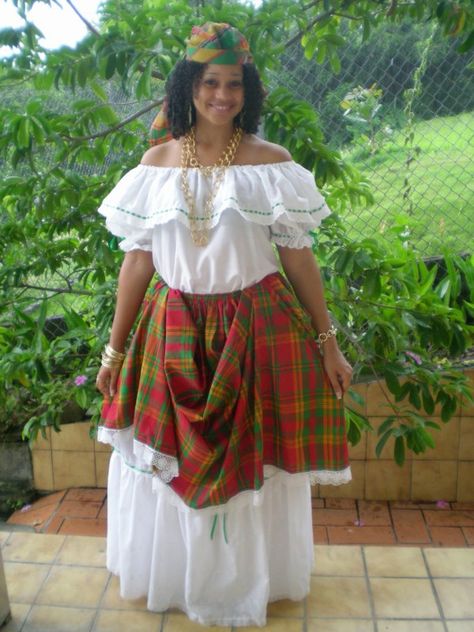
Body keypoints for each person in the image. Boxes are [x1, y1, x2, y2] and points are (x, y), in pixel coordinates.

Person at [95, 22, 352, 628]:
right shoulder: (155, 165)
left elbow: (297, 256)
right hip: (172, 332)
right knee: (175, 465)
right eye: (210, 81)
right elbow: (138, 262)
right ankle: (187, 582)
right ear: (188, 85)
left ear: (248, 90)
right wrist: (112, 353)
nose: (222, 95)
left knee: (253, 465)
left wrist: (328, 344)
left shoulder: (270, 164)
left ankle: (241, 587)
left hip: (256, 331)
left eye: (234, 84)